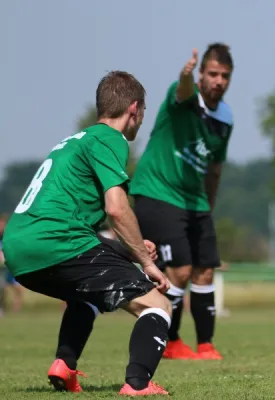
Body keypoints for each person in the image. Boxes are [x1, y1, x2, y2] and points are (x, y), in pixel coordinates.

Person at [2, 71, 172, 396]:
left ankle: (64, 366)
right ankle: (138, 384)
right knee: (157, 305)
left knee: (86, 297)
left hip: (18, 247)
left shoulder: (75, 141)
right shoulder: (110, 139)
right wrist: (145, 263)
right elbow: (117, 209)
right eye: (143, 113)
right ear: (134, 109)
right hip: (57, 242)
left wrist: (130, 247)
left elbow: (91, 233)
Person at [129, 43, 234, 360]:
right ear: (201, 73)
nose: (218, 81)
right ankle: (170, 342)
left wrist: (209, 208)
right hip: (158, 192)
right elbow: (184, 88)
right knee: (181, 270)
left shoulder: (226, 117)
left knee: (205, 271)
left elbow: (214, 168)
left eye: (225, 76)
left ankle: (205, 345)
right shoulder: (184, 95)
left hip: (195, 201)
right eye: (212, 74)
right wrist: (184, 75)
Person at [0, 213, 24, 315]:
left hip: (9, 266)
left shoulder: (9, 235)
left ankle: (16, 308)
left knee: (17, 288)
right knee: (2, 288)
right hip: (2, 268)